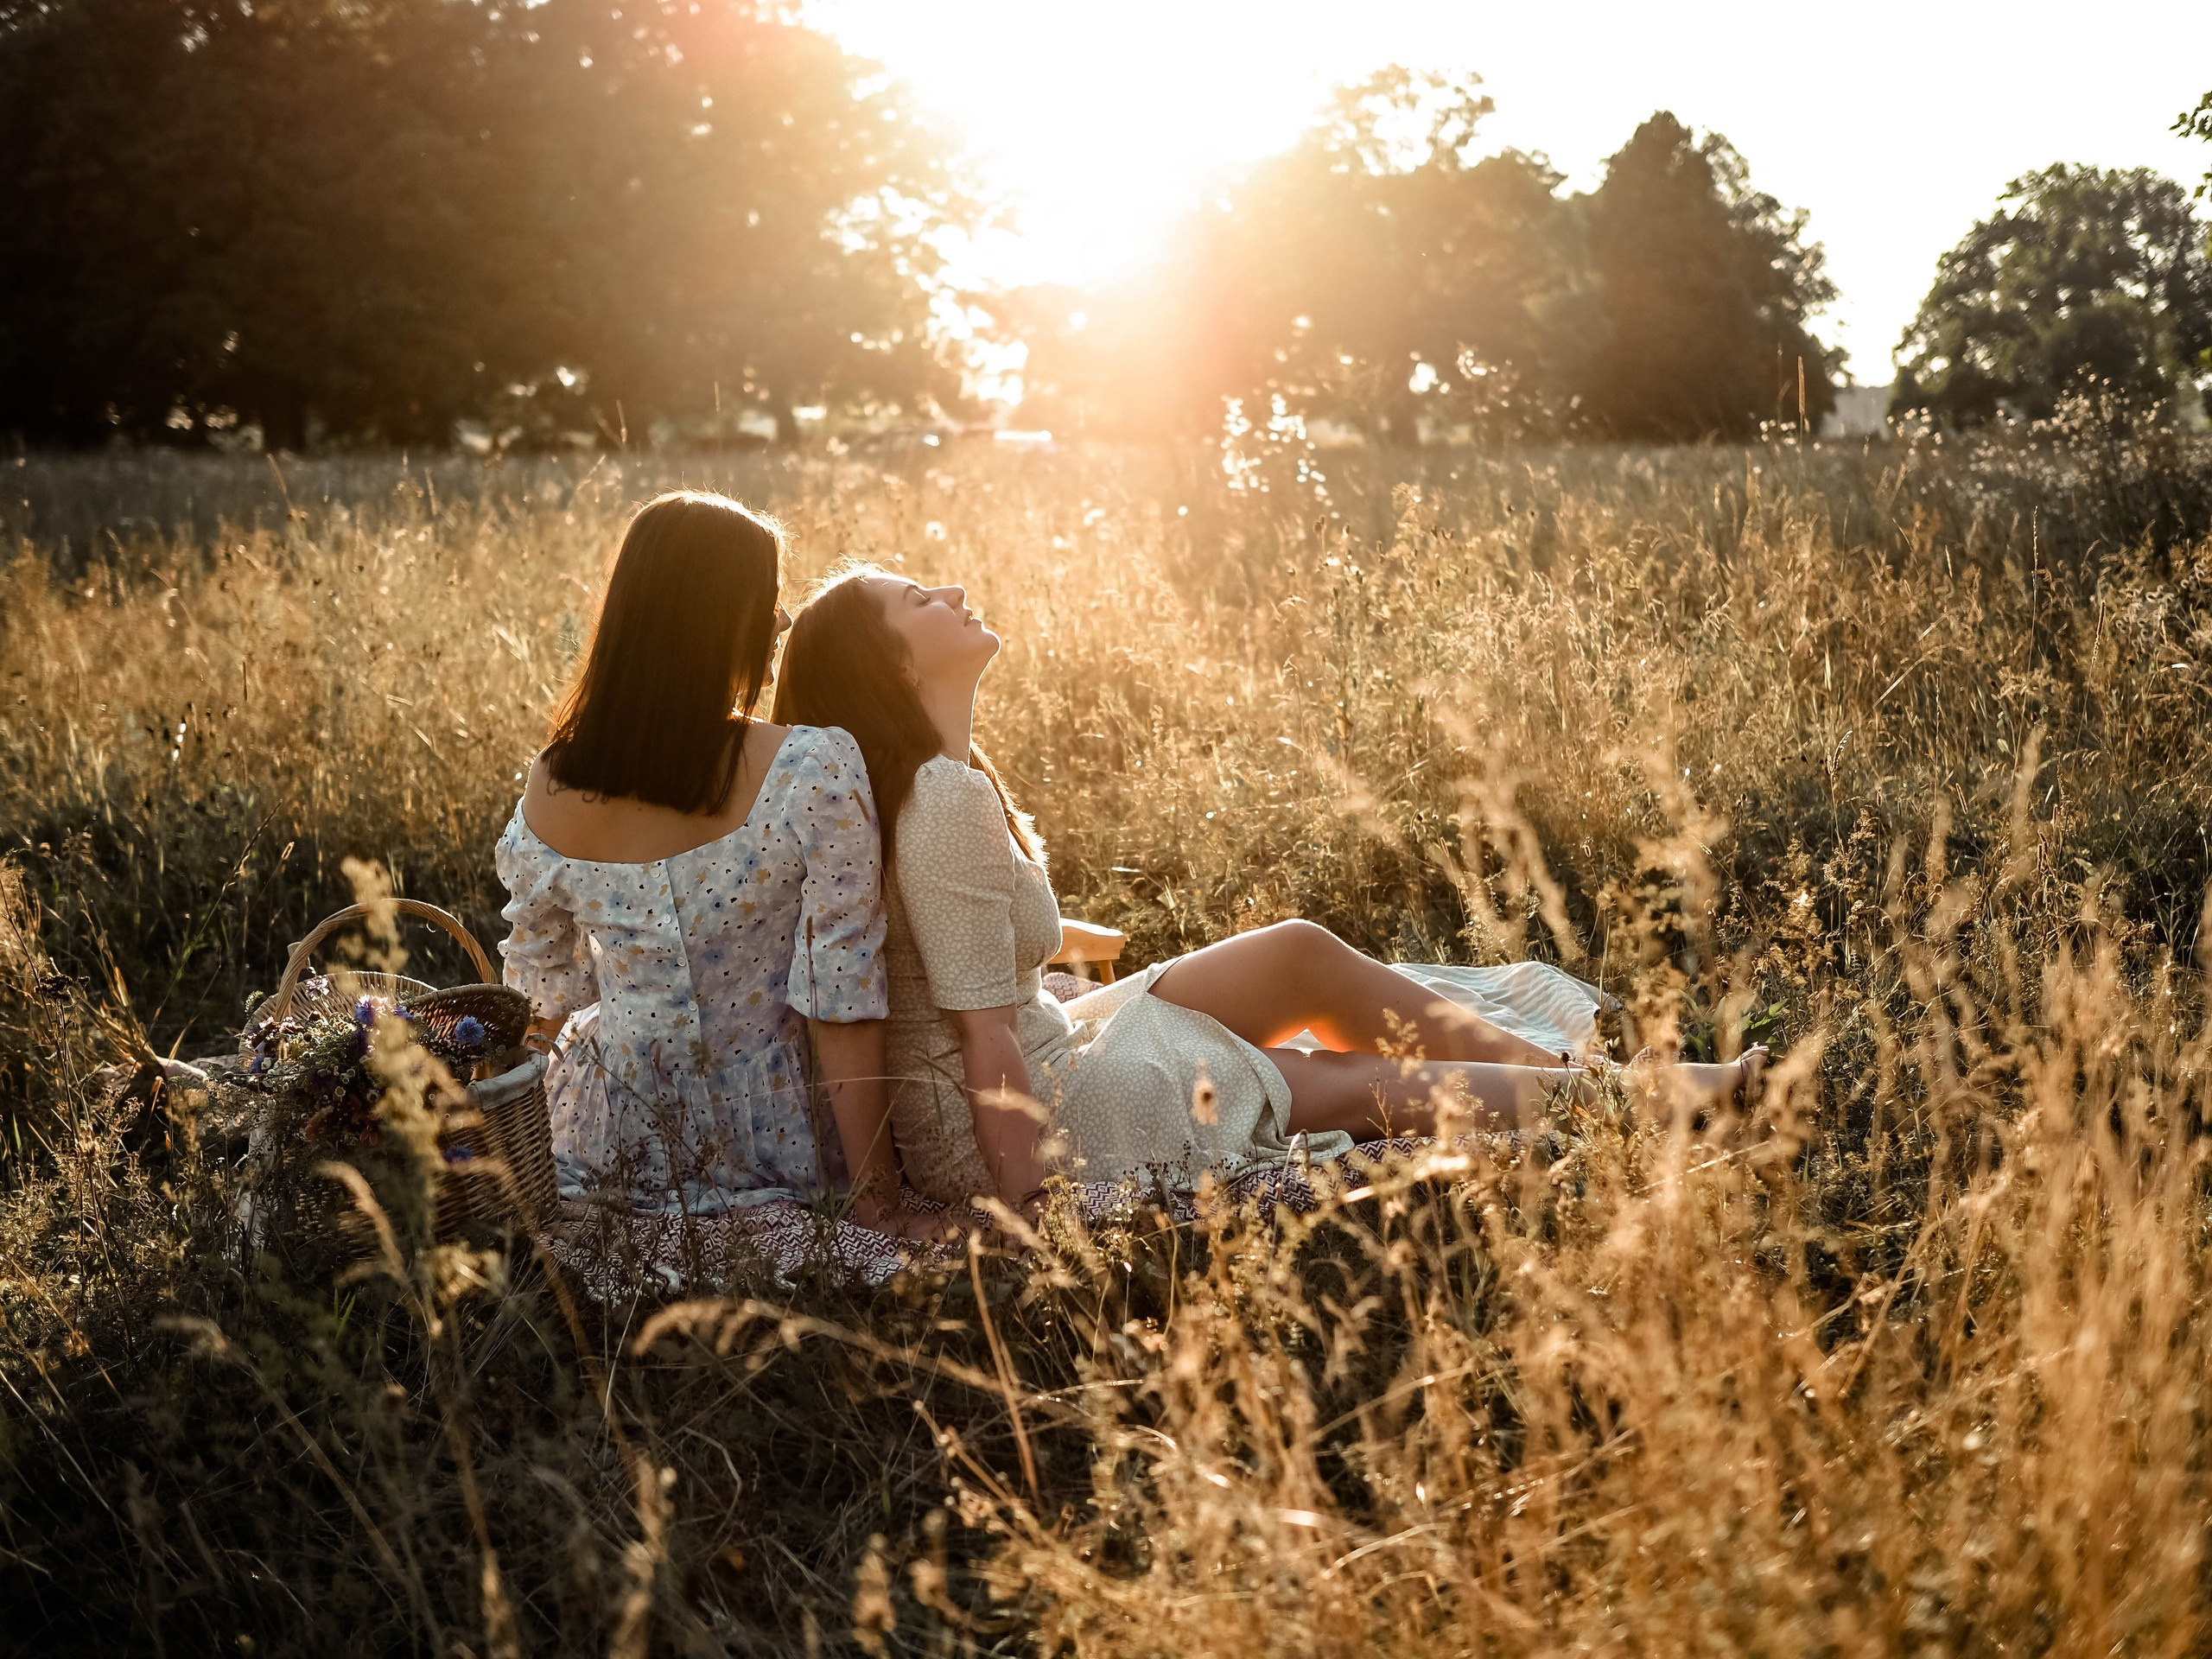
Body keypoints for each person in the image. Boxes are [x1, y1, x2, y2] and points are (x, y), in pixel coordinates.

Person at [773, 564, 1766, 1215]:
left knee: (1297, 957)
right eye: (919, 598)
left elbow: (970, 948)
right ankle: (1638, 1099)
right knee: (1332, 1080)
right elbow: (984, 1034)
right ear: (889, 662)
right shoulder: (939, 800)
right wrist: (1029, 1210)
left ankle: (1579, 1078)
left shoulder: (948, 782)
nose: (951, 590)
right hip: (1032, 1106)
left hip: (1045, 1045)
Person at [493, 493, 912, 1231]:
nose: (783, 622)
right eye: (769, 602)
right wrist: (880, 1205)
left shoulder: (553, 784)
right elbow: (840, 996)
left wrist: (497, 1157)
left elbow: (538, 1002)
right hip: (781, 1135)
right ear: (722, 620)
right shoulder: (810, 767)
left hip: (611, 1136)